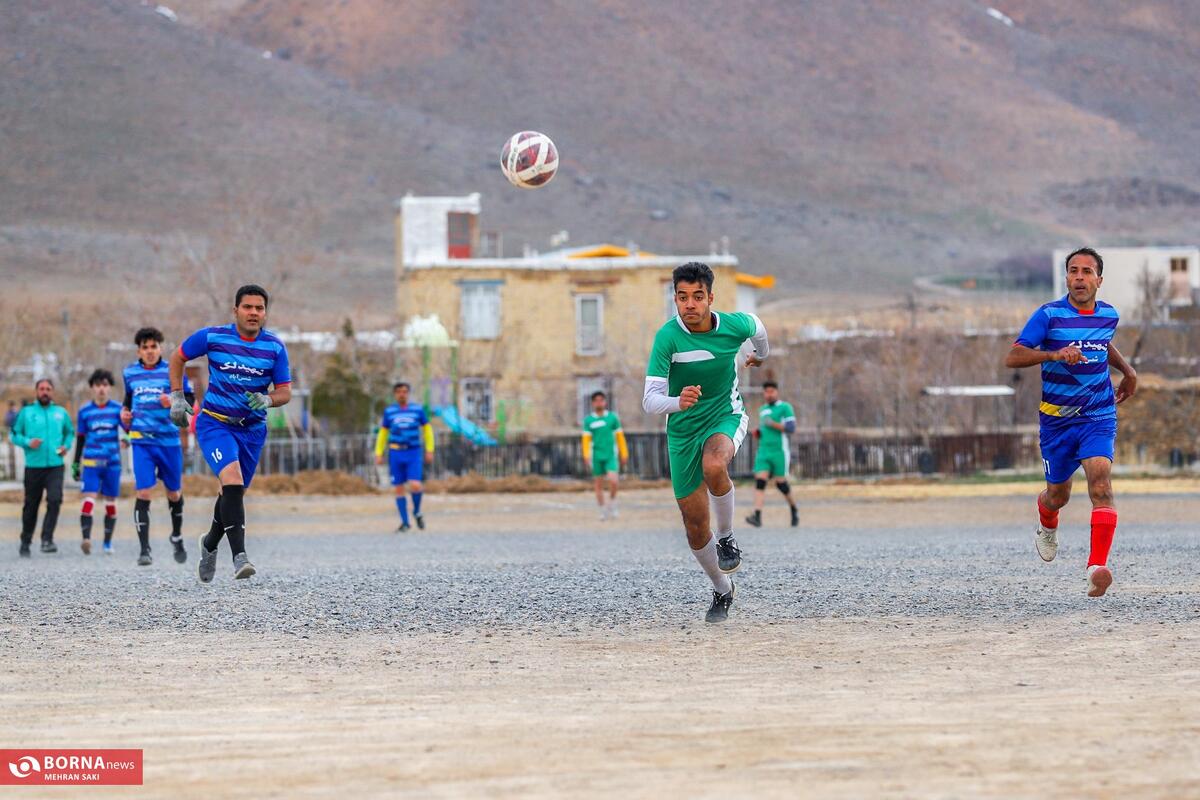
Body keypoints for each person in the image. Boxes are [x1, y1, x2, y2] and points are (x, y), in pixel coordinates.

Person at [1006, 247, 1137, 598]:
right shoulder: (1048, 315)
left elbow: (1103, 343)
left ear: (1099, 280)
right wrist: (1053, 354)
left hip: (1098, 414)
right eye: (1073, 271)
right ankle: (1047, 521)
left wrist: (1127, 371)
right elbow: (1013, 356)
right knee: (1057, 495)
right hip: (1057, 422)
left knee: (1101, 484)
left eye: (1087, 271)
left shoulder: (1109, 315)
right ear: (1066, 278)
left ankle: (1096, 567)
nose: (1079, 277)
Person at [642, 262, 769, 623]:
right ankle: (722, 588)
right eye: (682, 298)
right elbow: (649, 401)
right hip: (681, 431)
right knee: (695, 527)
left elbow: (760, 330)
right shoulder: (667, 337)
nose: (690, 305)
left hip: (724, 415)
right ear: (675, 299)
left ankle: (728, 538)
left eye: (697, 297)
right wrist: (676, 402)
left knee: (714, 464)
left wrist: (759, 356)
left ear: (710, 298)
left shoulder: (734, 325)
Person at [169, 284, 291, 582]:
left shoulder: (274, 348)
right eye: (247, 307)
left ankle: (209, 544)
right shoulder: (213, 337)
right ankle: (240, 558)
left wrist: (268, 399)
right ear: (235, 310)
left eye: (259, 308)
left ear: (265, 313)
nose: (253, 313)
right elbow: (177, 357)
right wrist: (177, 396)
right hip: (215, 424)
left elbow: (285, 392)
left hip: (252, 431)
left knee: (231, 493)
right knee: (233, 482)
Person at [122, 327, 192, 566]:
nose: (150, 351)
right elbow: (127, 402)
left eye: (154, 346)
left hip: (169, 441)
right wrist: (125, 416)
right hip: (142, 441)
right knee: (143, 491)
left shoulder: (173, 370)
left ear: (160, 348)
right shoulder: (129, 373)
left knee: (173, 493)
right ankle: (144, 549)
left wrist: (173, 400)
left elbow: (190, 401)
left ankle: (177, 535)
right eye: (145, 347)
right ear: (139, 351)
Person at [10, 378, 74, 557]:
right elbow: (14, 434)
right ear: (36, 391)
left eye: (48, 389)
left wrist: (66, 446)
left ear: (52, 392)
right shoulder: (27, 412)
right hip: (34, 467)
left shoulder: (61, 413)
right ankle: (25, 541)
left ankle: (47, 539)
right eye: (42, 389)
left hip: (55, 465)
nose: (45, 392)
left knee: (55, 500)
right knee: (31, 505)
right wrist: (28, 442)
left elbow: (70, 433)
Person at [72, 369, 125, 555]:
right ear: (92, 388)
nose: (101, 389)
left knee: (111, 501)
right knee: (89, 498)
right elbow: (80, 439)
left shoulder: (118, 409)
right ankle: (86, 539)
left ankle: (107, 543)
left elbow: (127, 430)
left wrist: (127, 439)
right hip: (91, 464)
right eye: (97, 385)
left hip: (113, 463)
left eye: (105, 385)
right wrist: (75, 464)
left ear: (109, 388)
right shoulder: (84, 411)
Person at [374, 381, 435, 532]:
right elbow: (383, 433)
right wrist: (379, 452)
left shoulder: (417, 410)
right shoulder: (389, 412)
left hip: (413, 451)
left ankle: (416, 511)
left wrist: (430, 449)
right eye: (399, 392)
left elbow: (427, 430)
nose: (402, 394)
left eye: (405, 391)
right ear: (395, 394)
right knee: (399, 487)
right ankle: (405, 522)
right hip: (395, 452)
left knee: (415, 484)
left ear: (408, 393)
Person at [745, 381, 799, 528]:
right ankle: (757, 516)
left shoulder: (785, 407)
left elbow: (791, 428)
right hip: (763, 451)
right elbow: (764, 428)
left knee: (781, 484)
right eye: (766, 391)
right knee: (760, 481)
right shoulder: (762, 409)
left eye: (771, 391)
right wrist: (758, 433)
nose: (769, 394)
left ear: (777, 392)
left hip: (779, 451)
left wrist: (773, 424)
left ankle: (794, 508)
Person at [581, 390, 628, 520]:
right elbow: (585, 439)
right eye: (596, 400)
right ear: (592, 403)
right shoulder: (589, 421)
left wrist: (624, 452)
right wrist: (586, 455)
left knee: (614, 480)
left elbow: (620, 437)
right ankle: (602, 510)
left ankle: (612, 503)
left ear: (605, 402)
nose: (599, 402)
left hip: (610, 455)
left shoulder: (612, 418)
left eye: (601, 400)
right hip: (596, 455)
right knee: (598, 484)